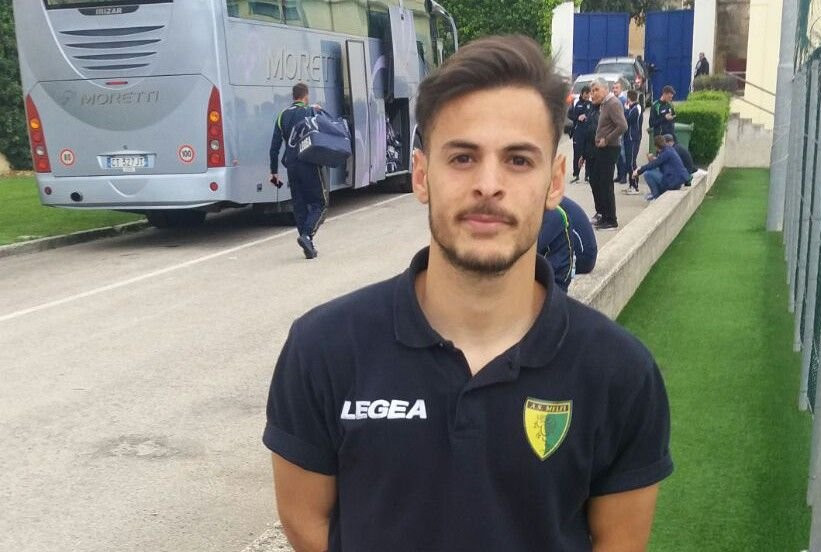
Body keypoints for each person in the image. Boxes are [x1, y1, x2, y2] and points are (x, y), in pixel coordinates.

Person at [264, 35, 672, 552]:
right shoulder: (323, 350)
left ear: (555, 181)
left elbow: (619, 541)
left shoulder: (620, 373)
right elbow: (307, 523)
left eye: (518, 160)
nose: (488, 184)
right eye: (462, 157)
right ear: (421, 175)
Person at [269, 82, 328, 259]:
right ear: (306, 96)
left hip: (292, 166)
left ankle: (308, 245)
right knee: (320, 203)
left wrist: (273, 171)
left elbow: (274, 147)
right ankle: (307, 236)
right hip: (309, 163)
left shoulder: (282, 115)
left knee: (299, 205)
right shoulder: (311, 112)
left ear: (293, 96)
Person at [537, 196, 598, 292]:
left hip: (584, 257)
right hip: (587, 251)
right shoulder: (548, 199)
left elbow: (536, 246)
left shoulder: (550, 208)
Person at [589, 79, 627, 229]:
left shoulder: (613, 103)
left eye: (596, 90)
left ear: (606, 89)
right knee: (597, 181)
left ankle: (611, 220)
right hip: (601, 149)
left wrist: (607, 139)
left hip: (609, 148)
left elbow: (623, 126)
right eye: (592, 91)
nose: (593, 94)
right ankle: (603, 215)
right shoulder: (604, 104)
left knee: (606, 184)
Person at [635, 135, 690, 200]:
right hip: (678, 181)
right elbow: (659, 161)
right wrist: (653, 160)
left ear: (656, 146)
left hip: (672, 182)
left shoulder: (665, 153)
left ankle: (656, 196)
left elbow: (652, 165)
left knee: (647, 174)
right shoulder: (670, 149)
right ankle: (658, 193)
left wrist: (638, 171)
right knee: (654, 170)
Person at [567, 86, 594, 183]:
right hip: (578, 133)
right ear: (582, 94)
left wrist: (587, 116)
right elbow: (569, 115)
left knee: (588, 154)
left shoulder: (591, 104)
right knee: (577, 154)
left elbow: (594, 115)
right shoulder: (575, 103)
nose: (587, 96)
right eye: (586, 94)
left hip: (588, 133)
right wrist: (578, 117)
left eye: (589, 94)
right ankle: (576, 174)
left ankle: (588, 175)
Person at [622, 90, 644, 195]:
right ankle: (631, 185)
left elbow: (628, 120)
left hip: (633, 138)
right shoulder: (632, 108)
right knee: (628, 163)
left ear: (629, 98)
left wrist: (626, 110)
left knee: (632, 163)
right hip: (628, 138)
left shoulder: (636, 108)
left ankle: (635, 186)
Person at [612, 81, 628, 184]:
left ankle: (623, 176)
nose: (614, 90)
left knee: (622, 153)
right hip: (615, 130)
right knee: (617, 153)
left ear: (621, 89)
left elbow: (624, 116)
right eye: (613, 88)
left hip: (620, 130)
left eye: (616, 88)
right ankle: (619, 175)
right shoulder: (615, 99)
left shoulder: (623, 100)